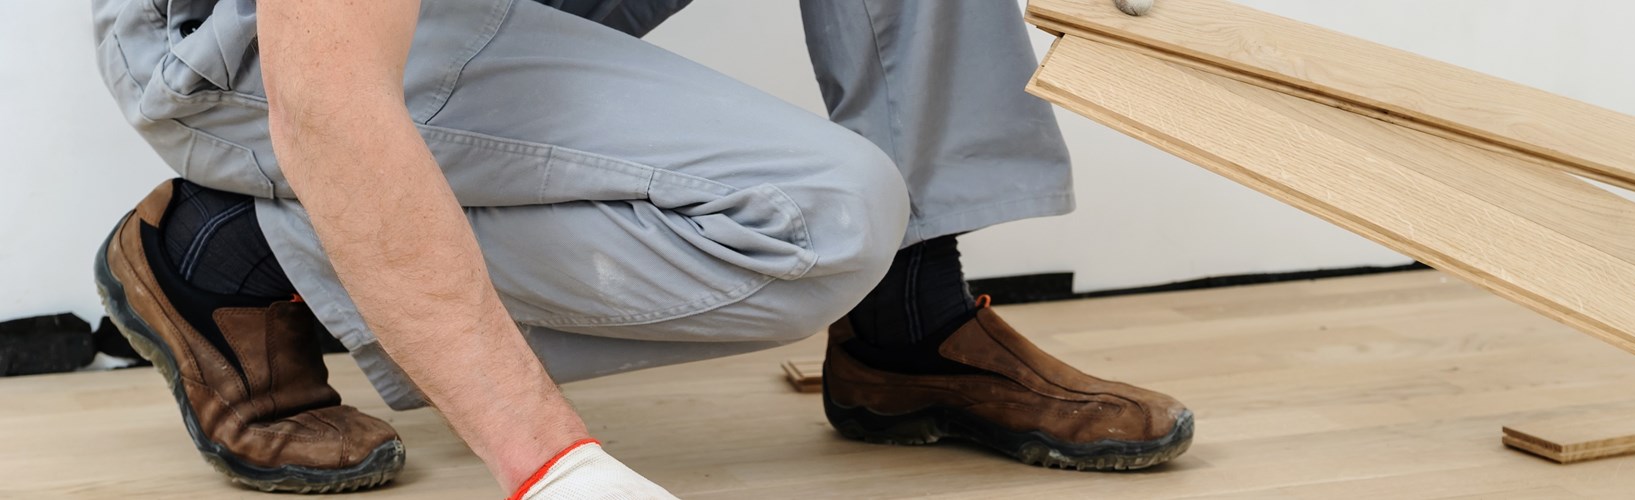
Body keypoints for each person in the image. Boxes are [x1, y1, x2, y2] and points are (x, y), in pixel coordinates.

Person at [90, 0, 1185, 497]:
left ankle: (910, 325)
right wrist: (551, 467)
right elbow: (328, 97)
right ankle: (229, 254)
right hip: (243, 40)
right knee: (825, 219)